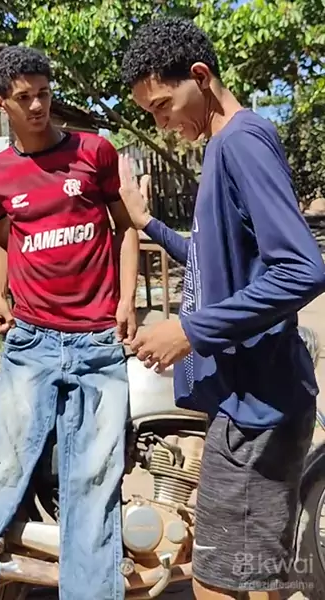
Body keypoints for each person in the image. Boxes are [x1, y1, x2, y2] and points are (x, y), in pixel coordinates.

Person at [119, 16, 325, 600]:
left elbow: (304, 268)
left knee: (217, 585)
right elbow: (220, 263)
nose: (161, 123)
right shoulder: (223, 147)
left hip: (256, 409)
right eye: (150, 114)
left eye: (163, 105)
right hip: (246, 403)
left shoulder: (240, 142)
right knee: (252, 579)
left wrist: (190, 330)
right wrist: (148, 223)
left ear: (201, 76)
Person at [0, 46, 139, 600]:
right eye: (25, 97)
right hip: (32, 342)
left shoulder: (94, 152)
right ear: (2, 104)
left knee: (93, 485)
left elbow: (125, 228)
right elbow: (2, 239)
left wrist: (127, 300)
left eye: (44, 93)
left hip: (97, 341)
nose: (38, 105)